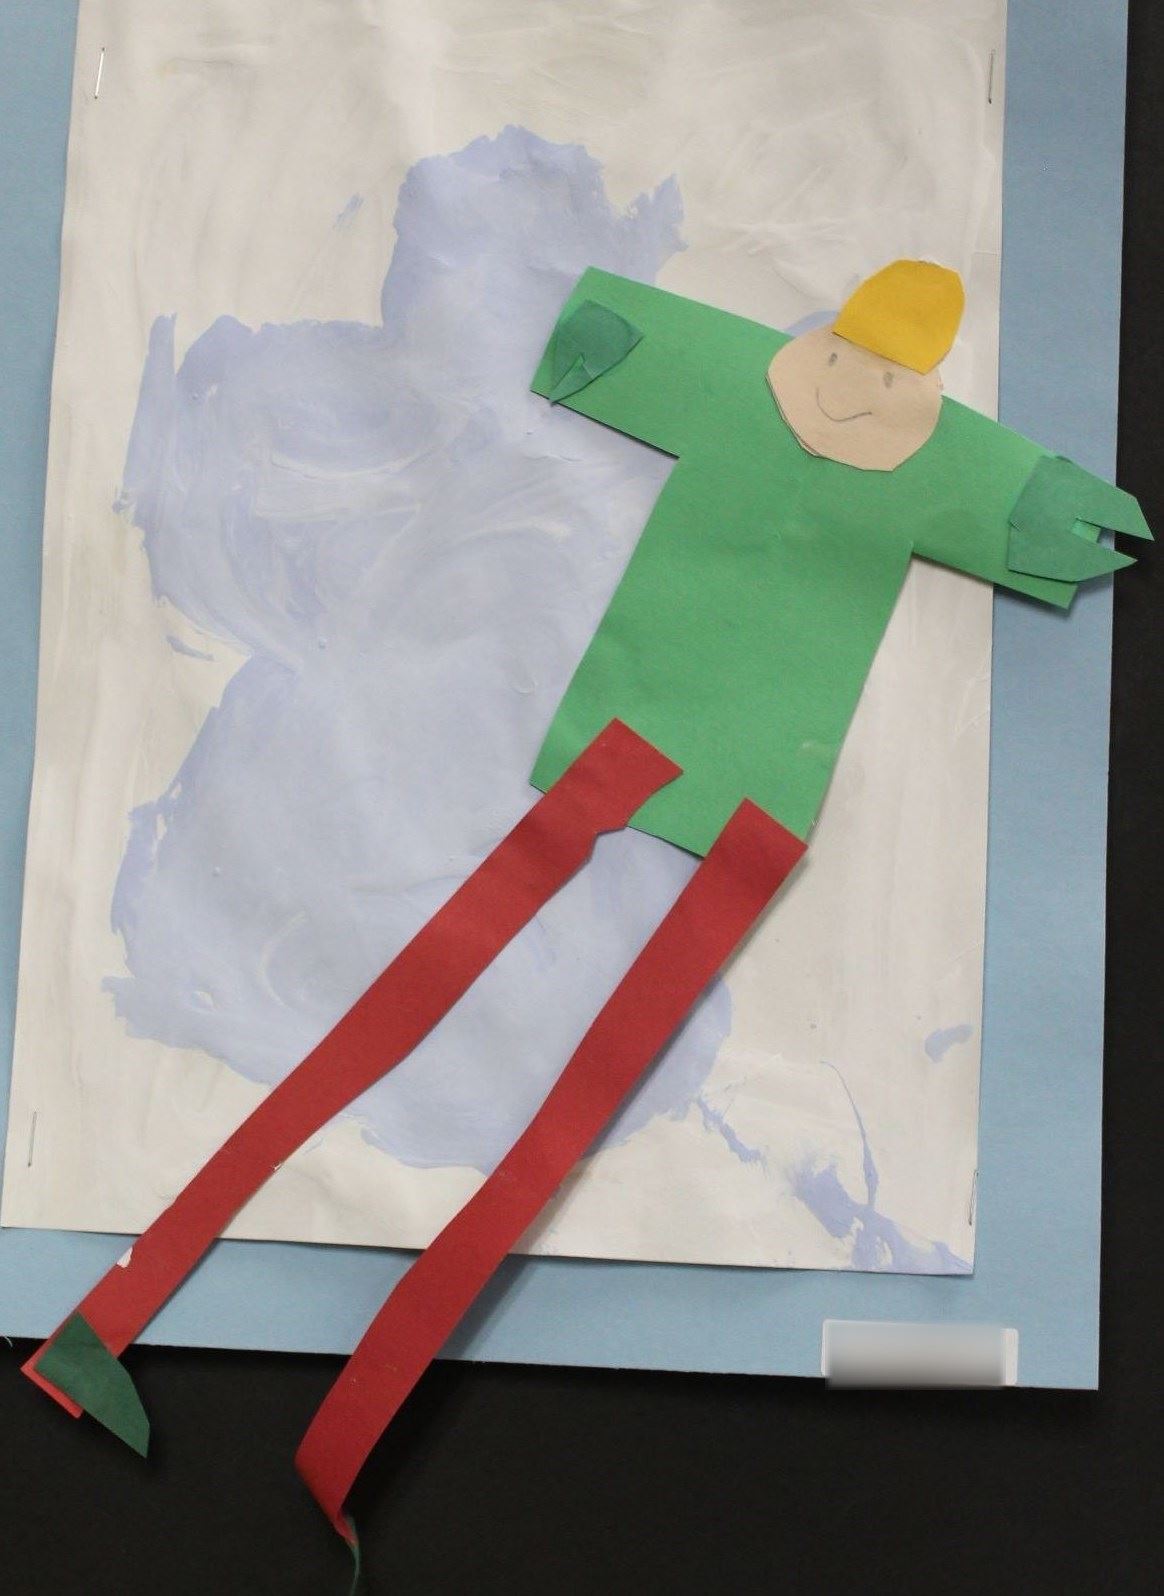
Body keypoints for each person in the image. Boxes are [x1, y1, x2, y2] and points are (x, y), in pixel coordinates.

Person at [26, 261, 1150, 1545]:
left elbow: (1079, 525)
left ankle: (309, 1430)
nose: (852, 395)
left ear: (919, 388)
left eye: (883, 378)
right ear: (827, 346)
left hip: (735, 792)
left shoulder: (903, 442)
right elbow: (601, 338)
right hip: (645, 749)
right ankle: (118, 1336)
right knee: (434, 1010)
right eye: (846, 362)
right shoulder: (767, 386)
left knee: (555, 1092)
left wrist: (1078, 518)